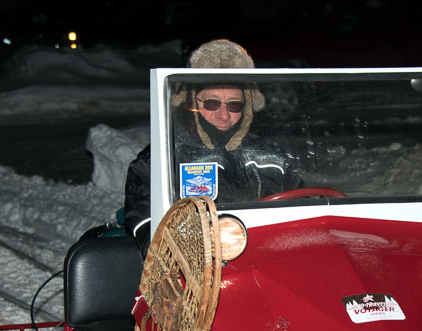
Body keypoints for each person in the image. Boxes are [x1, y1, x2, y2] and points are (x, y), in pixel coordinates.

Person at [123, 39, 303, 247]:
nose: (224, 115)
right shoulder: (163, 160)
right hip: (201, 271)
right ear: (191, 102)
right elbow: (150, 230)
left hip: (266, 261)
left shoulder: (272, 158)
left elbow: (303, 212)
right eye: (212, 103)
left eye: (234, 105)